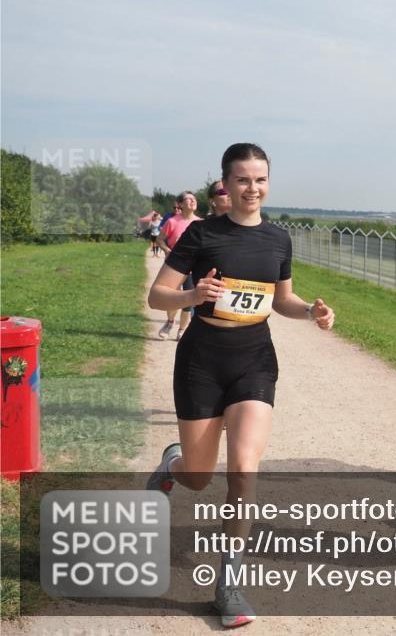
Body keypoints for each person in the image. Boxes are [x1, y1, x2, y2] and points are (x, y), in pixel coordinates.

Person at [146, 143, 334, 628]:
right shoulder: (201, 235)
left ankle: (228, 585)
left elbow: (282, 301)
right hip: (202, 362)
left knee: (243, 471)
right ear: (226, 185)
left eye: (261, 179)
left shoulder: (278, 239)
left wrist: (310, 312)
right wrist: (192, 293)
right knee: (199, 477)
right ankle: (174, 465)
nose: (253, 188)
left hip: (254, 360)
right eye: (243, 180)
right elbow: (157, 295)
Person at [156, 192, 203, 340]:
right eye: (188, 199)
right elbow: (159, 239)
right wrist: (167, 250)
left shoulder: (202, 223)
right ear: (180, 204)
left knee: (189, 300)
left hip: (192, 268)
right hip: (174, 268)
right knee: (172, 298)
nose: (192, 201)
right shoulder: (172, 222)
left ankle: (182, 330)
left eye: (194, 199)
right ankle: (170, 322)